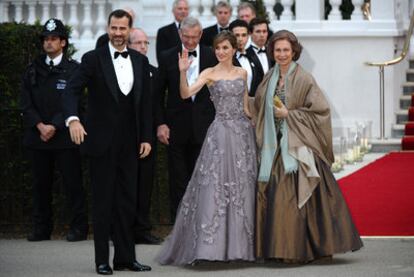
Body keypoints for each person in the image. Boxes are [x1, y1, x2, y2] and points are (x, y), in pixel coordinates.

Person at [253, 30, 363, 263]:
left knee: (293, 197)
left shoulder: (304, 78)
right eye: (278, 50)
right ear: (272, 52)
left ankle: (298, 249)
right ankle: (277, 247)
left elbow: (320, 111)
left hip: (297, 149)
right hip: (273, 149)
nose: (282, 54)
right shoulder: (269, 76)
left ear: (294, 52)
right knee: (274, 195)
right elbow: (259, 108)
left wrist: (289, 114)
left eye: (286, 50)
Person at [62, 10, 152, 275]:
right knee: (103, 202)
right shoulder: (92, 59)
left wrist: (146, 136)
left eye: (123, 28)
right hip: (100, 143)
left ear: (130, 29)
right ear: (108, 28)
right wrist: (73, 119)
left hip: (131, 143)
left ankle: (126, 258)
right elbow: (71, 90)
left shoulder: (139, 60)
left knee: (127, 201)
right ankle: (102, 260)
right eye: (114, 28)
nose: (118, 33)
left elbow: (145, 104)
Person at [156, 31, 257, 265]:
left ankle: (241, 246)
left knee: (243, 188)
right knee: (216, 188)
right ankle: (212, 248)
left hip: (242, 135)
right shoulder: (209, 73)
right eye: (218, 48)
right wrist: (182, 71)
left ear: (234, 49)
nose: (221, 52)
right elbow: (184, 93)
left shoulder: (242, 72)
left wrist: (261, 122)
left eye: (225, 48)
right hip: (220, 135)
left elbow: (246, 107)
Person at [21, 18, 88, 242]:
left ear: (63, 42)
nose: (49, 43)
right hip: (38, 137)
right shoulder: (32, 69)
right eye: (46, 39)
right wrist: (40, 125)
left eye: (54, 39)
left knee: (72, 185)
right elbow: (26, 103)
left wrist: (55, 125)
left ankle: (78, 228)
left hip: (64, 136)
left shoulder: (73, 69)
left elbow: (74, 101)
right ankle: (41, 229)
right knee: (40, 186)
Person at [154, 17, 217, 222]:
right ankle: (179, 226)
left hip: (205, 128)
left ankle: (203, 223)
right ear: (180, 34)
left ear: (200, 35)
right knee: (178, 179)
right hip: (176, 128)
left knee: (203, 178)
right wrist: (161, 123)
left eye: (194, 37)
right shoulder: (166, 56)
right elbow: (157, 94)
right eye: (186, 37)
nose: (190, 41)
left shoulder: (211, 55)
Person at [128, 27, 163, 245]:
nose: (143, 46)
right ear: (129, 45)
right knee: (123, 185)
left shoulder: (153, 72)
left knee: (144, 185)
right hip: (123, 138)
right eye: (138, 43)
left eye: (145, 43)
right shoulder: (119, 70)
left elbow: (157, 105)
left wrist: (158, 128)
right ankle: (121, 229)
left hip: (147, 139)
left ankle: (141, 229)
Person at [229, 19, 258, 97]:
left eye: (244, 35)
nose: (240, 39)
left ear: (248, 36)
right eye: (237, 35)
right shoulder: (226, 59)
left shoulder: (253, 57)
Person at [246, 18, 273, 96]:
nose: (262, 35)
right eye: (258, 31)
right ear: (250, 33)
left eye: (264, 31)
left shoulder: (272, 53)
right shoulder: (245, 54)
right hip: (252, 99)